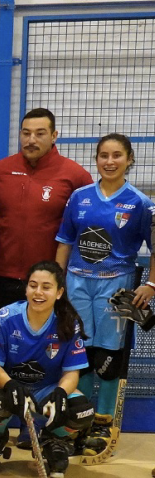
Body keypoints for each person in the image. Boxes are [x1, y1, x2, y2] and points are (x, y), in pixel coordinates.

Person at [55, 133, 154, 455]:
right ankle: (79, 420)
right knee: (80, 352)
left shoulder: (140, 203)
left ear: (129, 159)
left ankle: (103, 422)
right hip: (77, 282)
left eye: (117, 155)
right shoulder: (79, 197)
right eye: (103, 156)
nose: (109, 162)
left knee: (108, 357)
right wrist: (57, 283)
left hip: (116, 286)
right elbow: (64, 241)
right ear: (96, 159)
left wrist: (151, 285)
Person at [0, 261, 93, 478]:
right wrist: (10, 385)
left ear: (59, 292)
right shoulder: (6, 316)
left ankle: (53, 438)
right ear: (26, 288)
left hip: (47, 389)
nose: (38, 292)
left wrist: (61, 393)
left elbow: (71, 372)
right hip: (10, 387)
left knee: (81, 411)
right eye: (33, 285)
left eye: (46, 287)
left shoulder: (68, 322)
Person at [0, 108, 92, 335]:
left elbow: (85, 227)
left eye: (40, 134)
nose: (31, 140)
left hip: (49, 281)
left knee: (49, 342)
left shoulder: (76, 176)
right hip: (2, 276)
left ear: (54, 136)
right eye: (26, 133)